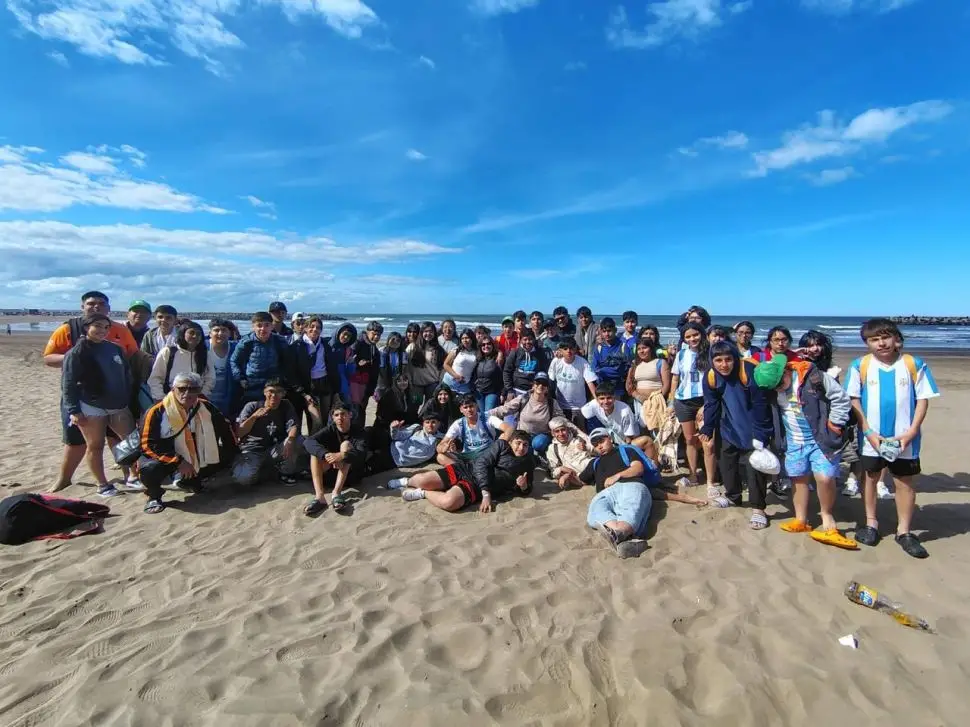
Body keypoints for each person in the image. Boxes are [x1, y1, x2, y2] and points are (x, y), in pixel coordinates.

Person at [844, 318, 940, 559]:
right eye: (874, 340)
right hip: (871, 438)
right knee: (870, 478)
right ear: (867, 343)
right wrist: (867, 431)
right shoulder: (860, 365)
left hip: (905, 439)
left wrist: (911, 431)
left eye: (885, 337)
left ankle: (904, 531)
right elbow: (854, 400)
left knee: (904, 482)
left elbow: (923, 400)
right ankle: (871, 523)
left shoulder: (913, 364)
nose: (881, 343)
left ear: (896, 338)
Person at [754, 353, 857, 549]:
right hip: (794, 442)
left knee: (825, 478)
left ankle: (827, 518)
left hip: (822, 439)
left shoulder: (813, 377)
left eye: (780, 383)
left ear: (786, 371)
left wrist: (835, 423)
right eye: (773, 387)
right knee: (797, 477)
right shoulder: (770, 389)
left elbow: (841, 398)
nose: (778, 388)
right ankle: (800, 519)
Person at [43, 290, 138, 493]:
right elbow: (67, 381)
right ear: (86, 325)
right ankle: (100, 484)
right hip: (89, 404)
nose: (102, 329)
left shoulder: (115, 347)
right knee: (92, 445)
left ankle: (131, 475)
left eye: (105, 326)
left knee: (127, 441)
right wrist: (74, 410)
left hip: (117, 404)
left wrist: (126, 396)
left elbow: (127, 371)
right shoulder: (75, 348)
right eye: (97, 326)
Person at [578, 429, 705, 558]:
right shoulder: (594, 463)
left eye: (602, 441)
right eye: (595, 444)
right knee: (594, 511)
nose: (599, 446)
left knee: (631, 507)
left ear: (610, 438)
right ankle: (621, 534)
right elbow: (580, 481)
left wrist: (618, 475)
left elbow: (637, 468)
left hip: (630, 485)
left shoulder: (626, 450)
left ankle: (620, 532)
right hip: (605, 493)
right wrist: (565, 476)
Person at [138, 372, 236, 514]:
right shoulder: (156, 412)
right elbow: (147, 445)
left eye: (193, 389)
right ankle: (154, 496)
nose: (187, 393)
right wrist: (179, 461)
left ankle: (192, 482)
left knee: (226, 454)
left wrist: (233, 453)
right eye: (182, 389)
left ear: (199, 391)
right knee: (149, 469)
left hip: (195, 455)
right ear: (173, 389)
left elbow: (225, 429)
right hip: (166, 457)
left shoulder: (206, 408)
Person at [699, 341, 773, 528]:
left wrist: (762, 433)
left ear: (735, 358)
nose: (724, 365)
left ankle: (758, 508)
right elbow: (711, 404)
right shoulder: (711, 376)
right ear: (712, 361)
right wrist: (707, 427)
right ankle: (733, 496)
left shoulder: (748, 371)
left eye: (728, 359)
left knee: (754, 467)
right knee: (726, 462)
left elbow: (760, 404)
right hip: (729, 427)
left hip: (754, 426)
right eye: (718, 360)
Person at [394, 430, 535, 513]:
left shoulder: (528, 463)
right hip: (468, 469)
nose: (521, 448)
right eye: (518, 443)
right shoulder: (501, 445)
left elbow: (527, 489)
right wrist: (486, 494)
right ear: (510, 442)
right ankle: (407, 481)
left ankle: (422, 493)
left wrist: (523, 486)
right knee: (422, 480)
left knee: (450, 502)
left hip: (475, 486)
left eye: (525, 445)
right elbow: (481, 464)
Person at [232, 379, 305, 487]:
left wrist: (290, 440)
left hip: (274, 449)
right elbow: (239, 433)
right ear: (264, 392)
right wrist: (254, 417)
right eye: (270, 391)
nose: (274, 395)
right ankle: (262, 470)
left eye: (278, 391)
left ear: (283, 394)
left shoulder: (286, 405)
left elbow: (293, 425)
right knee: (243, 479)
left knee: (298, 440)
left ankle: (285, 472)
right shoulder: (252, 406)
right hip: (253, 450)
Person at [669, 322, 715, 490]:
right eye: (688, 336)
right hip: (683, 401)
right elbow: (675, 378)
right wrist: (671, 401)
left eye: (695, 335)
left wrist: (706, 405)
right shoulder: (681, 354)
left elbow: (715, 381)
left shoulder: (710, 353)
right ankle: (693, 475)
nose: (692, 339)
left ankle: (710, 482)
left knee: (707, 442)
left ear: (701, 334)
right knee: (689, 440)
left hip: (705, 401)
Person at [302, 401, 368, 515]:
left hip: (351, 475)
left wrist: (342, 456)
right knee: (316, 453)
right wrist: (326, 455)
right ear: (332, 417)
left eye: (343, 414)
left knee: (345, 445)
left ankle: (337, 493)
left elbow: (361, 452)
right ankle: (320, 497)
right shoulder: (331, 429)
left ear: (350, 415)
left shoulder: (358, 431)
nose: (340, 418)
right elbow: (308, 441)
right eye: (336, 415)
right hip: (331, 473)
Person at [487, 373, 562, 456]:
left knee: (538, 444)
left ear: (547, 388)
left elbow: (561, 419)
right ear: (533, 385)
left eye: (544, 384)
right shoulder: (523, 398)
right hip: (523, 434)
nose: (540, 386)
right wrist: (486, 414)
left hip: (541, 436)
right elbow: (505, 409)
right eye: (538, 383)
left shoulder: (552, 403)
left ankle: (539, 455)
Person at [231, 311, 290, 408]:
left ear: (272, 326)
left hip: (273, 388)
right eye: (259, 325)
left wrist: (282, 379)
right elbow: (234, 361)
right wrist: (240, 378)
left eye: (266, 325)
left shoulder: (280, 341)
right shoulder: (246, 342)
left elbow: (287, 362)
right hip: (251, 388)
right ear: (253, 327)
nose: (263, 329)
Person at [625, 338, 671, 461]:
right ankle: (647, 458)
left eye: (644, 348)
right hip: (638, 401)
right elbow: (629, 384)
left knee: (657, 430)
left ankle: (662, 459)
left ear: (651, 348)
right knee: (642, 429)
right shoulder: (635, 364)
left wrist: (655, 398)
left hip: (656, 401)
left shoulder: (660, 362)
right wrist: (636, 395)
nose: (642, 351)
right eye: (639, 349)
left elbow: (666, 385)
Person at [148, 320, 215, 402]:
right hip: (170, 400)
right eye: (191, 333)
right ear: (183, 334)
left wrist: (202, 396)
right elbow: (155, 378)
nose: (195, 336)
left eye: (198, 334)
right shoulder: (168, 352)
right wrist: (161, 399)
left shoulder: (205, 354)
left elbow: (210, 378)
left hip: (196, 400)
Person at [288, 316, 329, 432]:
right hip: (304, 386)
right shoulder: (296, 346)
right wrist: (301, 391)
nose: (315, 329)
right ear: (305, 328)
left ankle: (314, 446)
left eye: (318, 327)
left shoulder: (325, 344)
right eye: (311, 326)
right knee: (302, 419)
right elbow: (291, 371)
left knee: (321, 421)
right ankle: (298, 445)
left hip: (323, 384)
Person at [548, 339, 597, 428]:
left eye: (571, 348)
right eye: (565, 349)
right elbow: (551, 381)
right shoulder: (556, 361)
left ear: (575, 349)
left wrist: (597, 399)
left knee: (582, 432)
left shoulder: (583, 362)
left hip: (579, 407)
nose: (568, 351)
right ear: (560, 350)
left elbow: (590, 382)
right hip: (560, 406)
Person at [436, 395, 497, 466]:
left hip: (487, 452)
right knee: (440, 457)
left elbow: (508, 429)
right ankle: (458, 474)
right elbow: (440, 445)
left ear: (476, 406)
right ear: (461, 410)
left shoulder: (487, 418)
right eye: (465, 407)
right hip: (468, 456)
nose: (469, 410)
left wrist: (501, 442)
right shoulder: (458, 423)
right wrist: (443, 448)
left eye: (471, 406)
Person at [370, 414, 444, 473]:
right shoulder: (417, 428)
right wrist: (394, 429)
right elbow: (398, 436)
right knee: (369, 432)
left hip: (396, 460)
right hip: (391, 446)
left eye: (433, 422)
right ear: (423, 424)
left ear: (439, 424)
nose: (430, 425)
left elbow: (446, 451)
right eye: (427, 422)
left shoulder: (440, 439)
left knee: (369, 465)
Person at [547, 417, 594, 489]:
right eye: (557, 431)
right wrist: (561, 469)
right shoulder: (553, 448)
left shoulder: (579, 438)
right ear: (553, 433)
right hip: (577, 476)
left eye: (563, 430)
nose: (561, 434)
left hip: (593, 467)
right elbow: (553, 471)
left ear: (568, 430)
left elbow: (599, 450)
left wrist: (587, 448)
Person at [502, 329, 549, 398]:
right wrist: (509, 390)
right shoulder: (515, 352)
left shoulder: (540, 353)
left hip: (534, 391)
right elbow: (507, 371)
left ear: (534, 340)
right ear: (521, 340)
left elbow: (544, 372)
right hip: (516, 390)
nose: (527, 342)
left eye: (530, 339)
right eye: (525, 339)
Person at [591, 317, 630, 397]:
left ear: (615, 330)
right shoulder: (598, 348)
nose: (607, 334)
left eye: (609, 331)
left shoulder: (623, 346)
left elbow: (624, 369)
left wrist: (604, 370)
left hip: (619, 390)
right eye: (604, 331)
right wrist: (613, 370)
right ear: (601, 332)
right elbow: (595, 369)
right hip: (602, 389)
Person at [206, 318, 237, 418]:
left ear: (229, 333)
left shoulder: (235, 348)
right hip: (205, 397)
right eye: (216, 330)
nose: (220, 333)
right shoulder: (203, 347)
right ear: (210, 333)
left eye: (224, 330)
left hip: (228, 400)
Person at [407, 321, 446, 401]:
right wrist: (409, 380)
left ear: (435, 333)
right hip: (416, 384)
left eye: (431, 331)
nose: (428, 334)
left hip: (432, 383)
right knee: (414, 405)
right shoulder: (413, 347)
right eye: (426, 331)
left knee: (430, 406)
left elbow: (443, 367)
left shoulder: (439, 349)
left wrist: (440, 381)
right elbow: (406, 365)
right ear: (421, 333)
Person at [471, 336, 504, 413]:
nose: (486, 346)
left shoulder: (498, 358)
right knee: (481, 415)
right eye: (483, 344)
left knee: (488, 415)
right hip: (479, 392)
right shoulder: (478, 358)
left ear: (492, 345)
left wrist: (503, 392)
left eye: (488, 344)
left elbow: (504, 376)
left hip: (492, 392)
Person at [442, 328, 478, 395]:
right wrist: (456, 376)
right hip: (449, 382)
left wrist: (500, 353)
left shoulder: (477, 352)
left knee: (463, 405)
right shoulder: (456, 350)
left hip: (465, 385)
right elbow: (445, 364)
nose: (465, 340)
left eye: (467, 338)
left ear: (472, 338)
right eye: (462, 338)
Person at [376, 331, 407, 401]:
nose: (395, 341)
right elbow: (380, 368)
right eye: (393, 339)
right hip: (382, 382)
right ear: (388, 340)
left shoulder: (403, 353)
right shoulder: (381, 351)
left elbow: (404, 369)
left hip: (396, 382)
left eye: (398, 340)